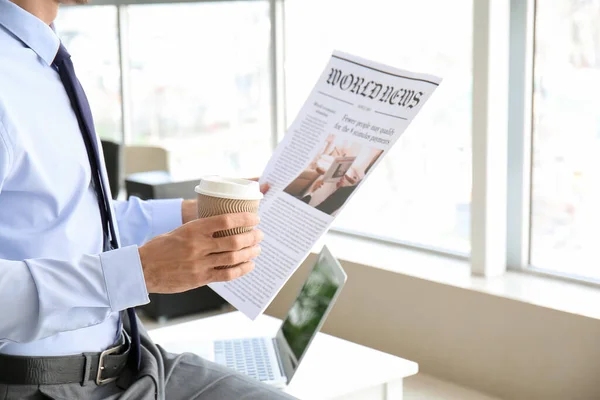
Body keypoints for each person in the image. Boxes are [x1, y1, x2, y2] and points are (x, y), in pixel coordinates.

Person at [0, 1, 297, 399]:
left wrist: (193, 214)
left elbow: (74, 222)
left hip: (132, 358)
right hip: (40, 384)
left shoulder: (40, 56)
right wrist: (141, 273)